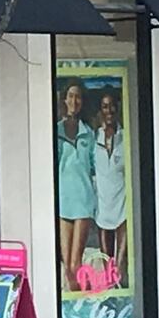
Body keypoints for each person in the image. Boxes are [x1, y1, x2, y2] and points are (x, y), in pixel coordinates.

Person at [56, 81, 96, 293]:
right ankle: (74, 306)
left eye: (78, 97)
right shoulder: (55, 131)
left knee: (75, 264)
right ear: (65, 99)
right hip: (63, 202)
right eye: (71, 96)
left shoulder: (88, 133)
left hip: (83, 200)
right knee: (67, 268)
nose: (74, 101)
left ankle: (82, 304)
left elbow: (95, 167)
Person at [92, 92, 127, 277]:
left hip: (122, 203)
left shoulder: (125, 136)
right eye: (105, 106)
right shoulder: (93, 138)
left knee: (119, 266)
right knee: (108, 264)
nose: (109, 110)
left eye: (112, 105)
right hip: (102, 206)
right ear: (100, 110)